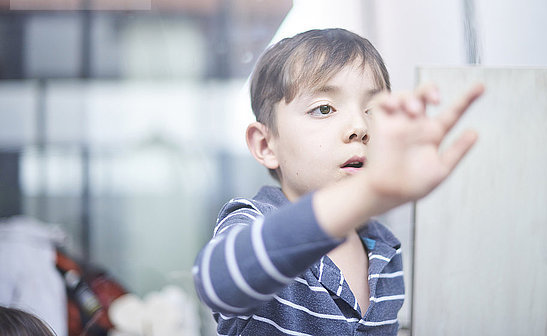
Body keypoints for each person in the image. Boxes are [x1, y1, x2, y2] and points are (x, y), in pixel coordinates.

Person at [193, 28, 484, 335]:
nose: (360, 127)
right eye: (324, 108)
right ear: (266, 145)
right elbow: (216, 281)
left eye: (372, 110)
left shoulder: (385, 251)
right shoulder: (255, 221)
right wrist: (367, 191)